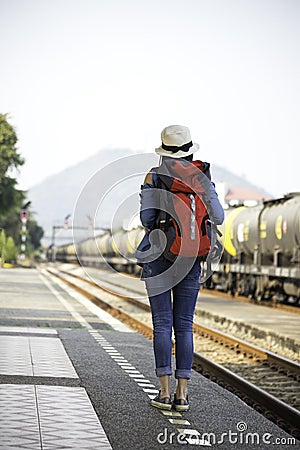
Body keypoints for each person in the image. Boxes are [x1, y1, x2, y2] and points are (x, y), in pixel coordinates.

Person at [136, 125, 224, 411]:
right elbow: (219, 217)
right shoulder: (202, 178)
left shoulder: (154, 176)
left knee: (162, 324)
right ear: (189, 149)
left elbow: (147, 220)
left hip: (159, 256)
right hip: (192, 257)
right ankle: (182, 395)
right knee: (184, 326)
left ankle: (163, 392)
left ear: (163, 150)